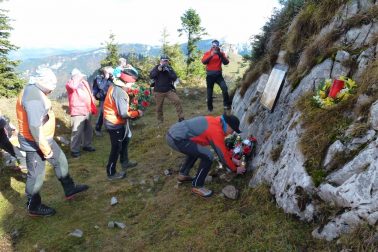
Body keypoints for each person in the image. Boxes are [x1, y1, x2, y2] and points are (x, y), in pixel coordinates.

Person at [16, 68, 88, 216]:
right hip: (34, 143)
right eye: (50, 89)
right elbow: (35, 128)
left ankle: (70, 188)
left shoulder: (36, 89)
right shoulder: (33, 98)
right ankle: (33, 206)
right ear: (42, 84)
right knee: (36, 176)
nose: (51, 92)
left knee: (61, 162)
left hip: (45, 139)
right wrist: (46, 150)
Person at [166, 113, 246, 198]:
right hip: (177, 139)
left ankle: (183, 174)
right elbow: (222, 156)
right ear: (229, 126)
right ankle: (197, 186)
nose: (232, 133)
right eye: (233, 130)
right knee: (208, 156)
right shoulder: (216, 130)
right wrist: (235, 169)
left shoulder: (215, 122)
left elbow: (221, 149)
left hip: (173, 133)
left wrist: (233, 159)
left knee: (197, 150)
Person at [103, 77, 143, 180]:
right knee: (116, 147)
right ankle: (111, 173)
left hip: (115, 120)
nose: (132, 86)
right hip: (114, 122)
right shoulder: (120, 93)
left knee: (126, 139)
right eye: (132, 83)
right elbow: (124, 113)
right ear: (126, 82)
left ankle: (124, 162)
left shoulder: (114, 87)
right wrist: (137, 113)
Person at [66, 68, 97, 158]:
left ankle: (86, 145)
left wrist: (92, 104)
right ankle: (74, 150)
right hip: (78, 111)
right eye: (79, 76)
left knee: (88, 129)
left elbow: (89, 93)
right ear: (75, 77)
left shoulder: (84, 82)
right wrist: (76, 77)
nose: (81, 78)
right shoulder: (70, 84)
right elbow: (72, 87)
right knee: (77, 131)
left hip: (87, 109)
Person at [149, 55, 184, 124]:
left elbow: (174, 77)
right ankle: (160, 121)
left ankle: (181, 118)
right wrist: (158, 70)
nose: (165, 62)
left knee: (177, 101)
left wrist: (168, 71)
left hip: (168, 90)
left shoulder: (169, 68)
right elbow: (151, 76)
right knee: (159, 108)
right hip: (158, 91)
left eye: (166, 61)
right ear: (160, 61)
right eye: (164, 61)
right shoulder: (156, 67)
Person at [201, 40, 231, 112]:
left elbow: (226, 62)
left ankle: (226, 105)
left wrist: (220, 54)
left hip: (218, 75)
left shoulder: (221, 53)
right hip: (210, 76)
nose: (214, 46)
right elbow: (203, 62)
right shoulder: (208, 53)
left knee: (224, 88)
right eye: (213, 45)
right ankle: (210, 108)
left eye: (215, 45)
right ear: (211, 45)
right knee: (209, 92)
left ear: (218, 46)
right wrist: (211, 55)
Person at [93, 66, 113, 136]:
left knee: (110, 113)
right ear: (105, 72)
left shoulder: (111, 78)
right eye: (109, 72)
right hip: (103, 98)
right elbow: (101, 87)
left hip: (110, 97)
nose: (110, 74)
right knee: (102, 114)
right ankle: (97, 128)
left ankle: (108, 126)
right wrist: (105, 78)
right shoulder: (99, 77)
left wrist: (113, 78)